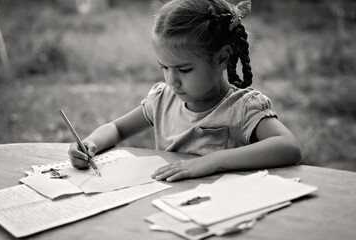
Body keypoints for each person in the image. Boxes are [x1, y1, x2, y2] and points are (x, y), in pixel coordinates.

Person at [68, 0, 301, 182]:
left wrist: (213, 161)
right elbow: (116, 129)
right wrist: (91, 143)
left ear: (222, 58)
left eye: (184, 69)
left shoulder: (242, 107)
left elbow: (288, 146)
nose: (172, 81)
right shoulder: (163, 100)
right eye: (164, 68)